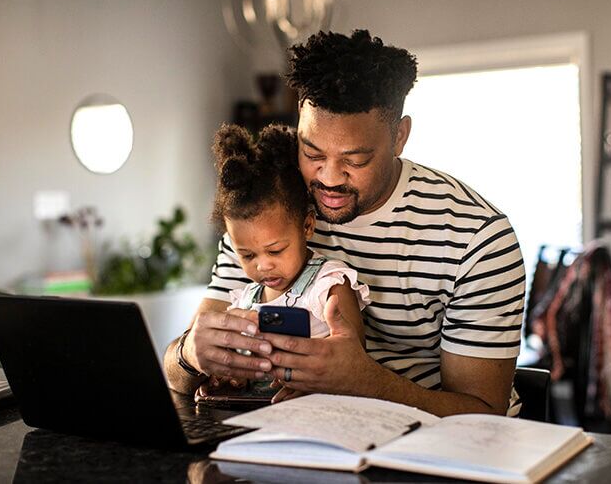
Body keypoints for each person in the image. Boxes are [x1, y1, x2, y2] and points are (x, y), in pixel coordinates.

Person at [164, 29, 526, 417]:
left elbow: (483, 416)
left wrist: (364, 383)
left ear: (400, 136)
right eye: (312, 152)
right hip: (298, 432)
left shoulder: (476, 237)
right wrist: (190, 354)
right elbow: (175, 373)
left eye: (355, 160)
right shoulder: (271, 212)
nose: (330, 178)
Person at [200, 123, 369, 400]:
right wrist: (228, 376)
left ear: (307, 226)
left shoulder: (328, 286)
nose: (263, 266)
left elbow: (354, 366)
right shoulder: (245, 301)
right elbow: (241, 363)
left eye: (276, 250)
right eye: (247, 255)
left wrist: (314, 383)